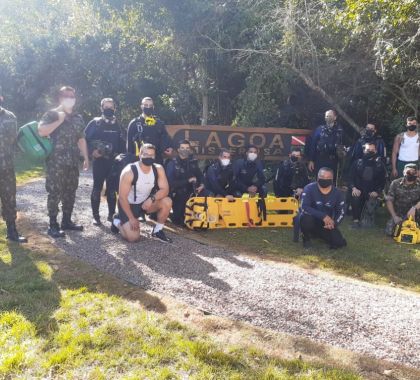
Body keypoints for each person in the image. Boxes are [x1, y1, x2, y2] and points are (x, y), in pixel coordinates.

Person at [38, 86, 89, 238]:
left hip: (73, 162)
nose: (69, 98)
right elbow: (42, 131)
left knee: (70, 192)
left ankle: (66, 221)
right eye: (66, 96)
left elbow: (80, 138)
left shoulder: (78, 117)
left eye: (72, 96)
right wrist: (59, 120)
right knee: (54, 193)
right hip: (56, 162)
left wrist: (85, 157)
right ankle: (52, 225)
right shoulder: (52, 114)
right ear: (60, 98)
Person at [112, 143, 173, 242]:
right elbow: (122, 197)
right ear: (140, 155)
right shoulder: (129, 171)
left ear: (155, 156)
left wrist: (151, 199)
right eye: (146, 154)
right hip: (128, 205)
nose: (149, 157)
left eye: (151, 155)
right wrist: (131, 218)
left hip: (145, 203)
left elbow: (165, 190)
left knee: (167, 201)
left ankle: (157, 231)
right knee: (133, 238)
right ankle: (117, 221)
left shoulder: (158, 169)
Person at [85, 98, 125, 225]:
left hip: (114, 162)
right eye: (106, 107)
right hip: (99, 161)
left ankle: (111, 215)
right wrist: (92, 152)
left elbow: (124, 144)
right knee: (97, 188)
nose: (109, 109)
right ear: (101, 108)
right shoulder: (95, 123)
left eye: (111, 107)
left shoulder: (118, 124)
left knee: (112, 189)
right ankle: (95, 217)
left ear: (115, 108)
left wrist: (122, 157)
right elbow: (84, 140)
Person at [0, 87, 27, 243]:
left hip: (7, 167)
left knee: (9, 198)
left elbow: (14, 141)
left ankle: (12, 231)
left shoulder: (10, 116)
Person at [299, 167, 346, 249]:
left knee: (339, 243)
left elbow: (341, 212)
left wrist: (334, 223)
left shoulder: (337, 193)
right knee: (305, 218)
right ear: (317, 177)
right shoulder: (309, 188)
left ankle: (317, 234)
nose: (325, 179)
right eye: (322, 177)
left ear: (332, 179)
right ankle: (306, 239)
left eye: (328, 178)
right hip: (311, 218)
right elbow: (304, 207)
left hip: (326, 223)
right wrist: (323, 216)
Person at [166, 140, 205, 226]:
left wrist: (202, 184)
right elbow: (170, 183)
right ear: (178, 150)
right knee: (178, 221)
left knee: (206, 194)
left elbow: (200, 175)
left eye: (187, 148)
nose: (185, 150)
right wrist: (187, 181)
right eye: (183, 148)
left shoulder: (192, 162)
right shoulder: (172, 163)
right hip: (177, 193)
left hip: (192, 191)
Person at [349, 142, 386, 227]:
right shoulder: (356, 163)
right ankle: (356, 220)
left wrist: (377, 191)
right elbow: (350, 179)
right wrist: (353, 188)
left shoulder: (380, 165)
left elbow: (382, 182)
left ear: (376, 151)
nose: (370, 152)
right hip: (359, 191)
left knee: (368, 224)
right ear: (364, 150)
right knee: (355, 196)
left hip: (372, 193)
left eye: (372, 150)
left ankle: (368, 214)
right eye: (368, 150)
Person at [126, 97, 173, 163]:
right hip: (139, 161)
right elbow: (129, 147)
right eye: (146, 105)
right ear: (141, 106)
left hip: (157, 160)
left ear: (153, 107)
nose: (148, 107)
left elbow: (166, 139)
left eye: (150, 106)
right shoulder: (134, 123)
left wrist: (170, 147)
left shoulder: (159, 123)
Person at [307, 110, 344, 181]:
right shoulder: (319, 129)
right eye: (327, 116)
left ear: (335, 117)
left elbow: (343, 144)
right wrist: (311, 160)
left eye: (330, 116)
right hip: (320, 159)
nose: (328, 118)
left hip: (333, 160)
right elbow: (313, 144)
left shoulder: (340, 130)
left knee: (331, 181)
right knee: (319, 180)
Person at [385, 163, 420, 236]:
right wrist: (394, 216)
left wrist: (414, 208)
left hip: (416, 214)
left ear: (417, 173)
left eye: (414, 172)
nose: (411, 173)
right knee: (390, 232)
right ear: (404, 172)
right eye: (409, 171)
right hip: (399, 214)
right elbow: (389, 200)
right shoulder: (395, 183)